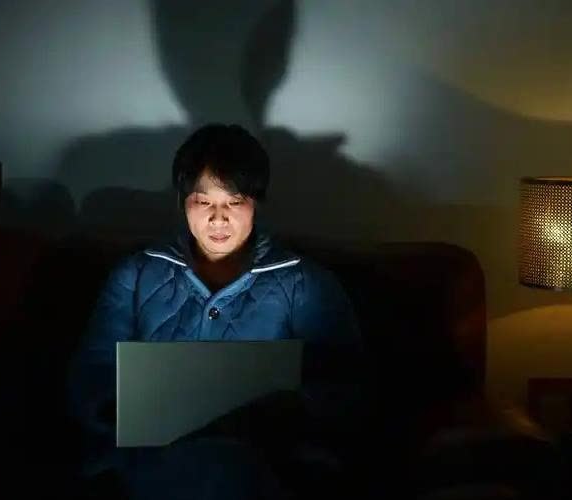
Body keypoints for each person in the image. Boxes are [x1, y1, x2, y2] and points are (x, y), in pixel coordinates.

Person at [68, 124, 365, 499]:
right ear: (183, 202)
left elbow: (347, 382)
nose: (218, 218)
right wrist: (123, 410)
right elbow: (91, 373)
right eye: (204, 202)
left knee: (230, 470)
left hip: (263, 464)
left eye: (234, 202)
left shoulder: (305, 285)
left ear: (256, 203)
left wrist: (293, 410)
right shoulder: (136, 275)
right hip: (152, 464)